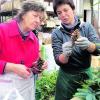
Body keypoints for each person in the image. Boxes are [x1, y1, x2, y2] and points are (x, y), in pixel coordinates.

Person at [52, 0, 100, 100]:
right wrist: (65, 54)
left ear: (73, 10)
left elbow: (98, 49)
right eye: (59, 13)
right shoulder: (56, 33)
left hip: (85, 76)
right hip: (66, 79)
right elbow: (58, 59)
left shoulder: (86, 27)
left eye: (66, 10)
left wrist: (89, 45)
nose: (63, 15)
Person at [0, 1, 47, 100]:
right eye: (35, 15)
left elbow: (31, 67)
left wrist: (38, 67)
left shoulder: (34, 39)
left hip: (26, 88)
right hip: (4, 88)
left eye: (40, 18)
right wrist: (11, 67)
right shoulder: (2, 30)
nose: (38, 21)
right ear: (23, 14)